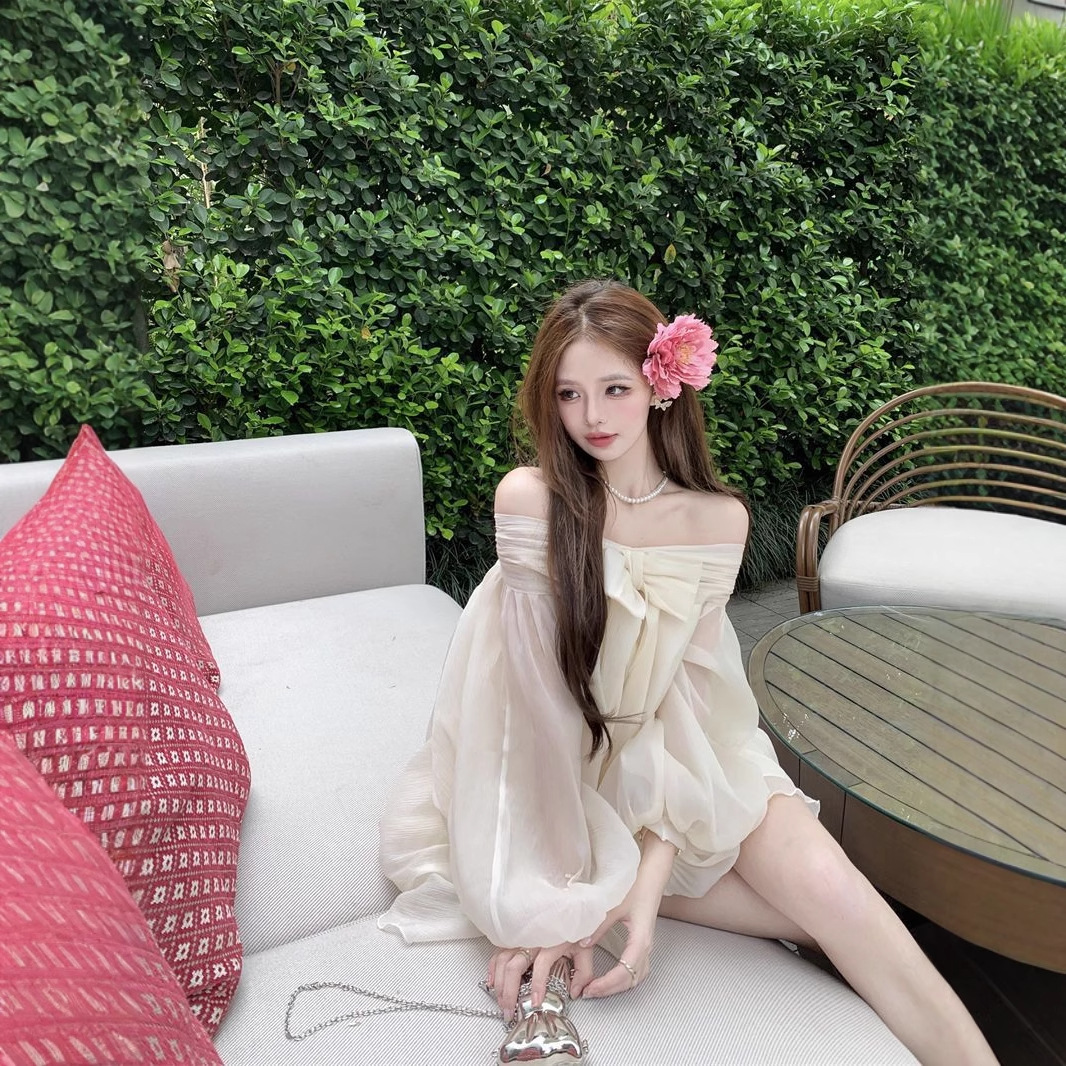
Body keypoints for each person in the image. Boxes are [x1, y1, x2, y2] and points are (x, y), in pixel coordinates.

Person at [378, 279, 997, 1065]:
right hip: (563, 773)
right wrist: (558, 896)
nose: (592, 417)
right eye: (569, 394)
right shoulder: (531, 501)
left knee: (841, 899)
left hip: (690, 761)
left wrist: (645, 881)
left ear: (659, 387)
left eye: (614, 388)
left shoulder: (718, 520)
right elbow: (533, 723)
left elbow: (693, 710)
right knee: (839, 919)